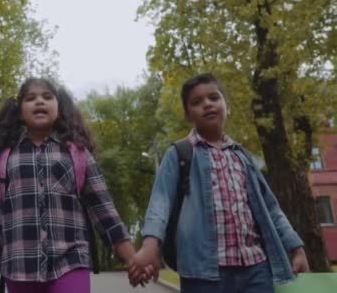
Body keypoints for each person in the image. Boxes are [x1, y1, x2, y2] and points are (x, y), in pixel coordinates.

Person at [132, 73, 309, 293]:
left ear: (227, 106)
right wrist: (150, 248)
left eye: (214, 98)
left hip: (256, 269)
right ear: (188, 115)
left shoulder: (243, 157)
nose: (207, 104)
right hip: (203, 273)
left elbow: (271, 208)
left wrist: (296, 247)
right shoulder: (179, 153)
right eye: (197, 102)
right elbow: (160, 203)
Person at [0, 77, 152, 293]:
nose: (39, 102)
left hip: (71, 261)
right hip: (19, 266)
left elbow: (105, 211)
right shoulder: (4, 158)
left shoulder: (77, 154)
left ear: (59, 108)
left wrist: (132, 259)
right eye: (30, 98)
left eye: (47, 96)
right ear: (19, 112)